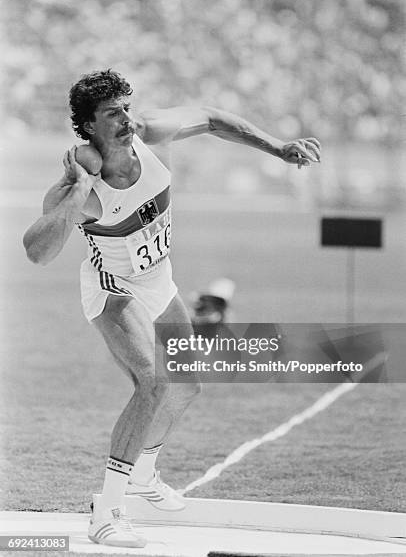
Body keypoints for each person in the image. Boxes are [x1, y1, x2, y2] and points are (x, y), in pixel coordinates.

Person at [23, 69, 321, 548]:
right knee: (153, 380)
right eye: (112, 114)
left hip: (158, 280)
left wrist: (278, 147)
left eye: (126, 107)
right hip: (113, 287)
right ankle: (107, 512)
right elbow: (36, 250)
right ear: (88, 126)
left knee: (186, 383)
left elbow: (212, 118)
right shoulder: (84, 185)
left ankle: (143, 473)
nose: (126, 119)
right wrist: (79, 188)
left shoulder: (147, 131)